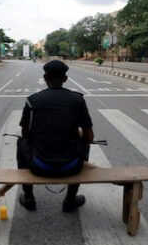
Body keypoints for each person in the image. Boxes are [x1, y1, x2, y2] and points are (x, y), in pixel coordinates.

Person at [17, 60, 94, 212]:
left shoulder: (32, 101)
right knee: (84, 142)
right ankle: (70, 200)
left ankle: (29, 198)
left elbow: (25, 134)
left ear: (45, 78)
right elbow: (89, 137)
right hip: (72, 166)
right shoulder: (78, 100)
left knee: (21, 142)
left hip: (39, 166)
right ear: (65, 79)